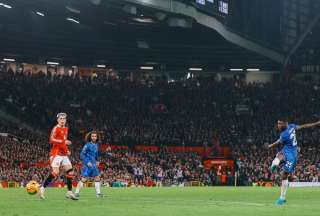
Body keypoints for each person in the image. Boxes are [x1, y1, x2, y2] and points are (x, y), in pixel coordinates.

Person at [268, 118, 320, 205]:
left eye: (280, 124)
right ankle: (275, 164)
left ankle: (282, 198)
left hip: (292, 155)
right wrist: (315, 123)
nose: (278, 126)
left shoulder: (284, 134)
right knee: (279, 155)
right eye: (278, 124)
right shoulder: (291, 126)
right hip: (288, 151)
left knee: (284, 175)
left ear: (285, 124)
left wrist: (271, 145)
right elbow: (304, 126)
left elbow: (278, 142)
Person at [39, 113, 78, 200]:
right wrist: (64, 141)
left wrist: (66, 150)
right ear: (58, 120)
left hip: (63, 154)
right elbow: (51, 140)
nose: (62, 120)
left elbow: (63, 142)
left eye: (64, 118)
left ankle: (69, 192)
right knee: (55, 172)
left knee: (70, 171)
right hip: (55, 153)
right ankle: (42, 189)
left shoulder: (65, 128)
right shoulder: (56, 128)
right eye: (61, 118)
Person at [75, 131, 104, 198]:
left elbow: (96, 155)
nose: (94, 137)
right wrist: (87, 162)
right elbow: (82, 154)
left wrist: (97, 161)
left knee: (97, 178)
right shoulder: (87, 145)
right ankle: (76, 192)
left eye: (95, 136)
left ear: (97, 137)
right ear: (90, 137)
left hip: (94, 165)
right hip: (87, 165)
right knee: (84, 179)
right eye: (92, 136)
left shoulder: (96, 145)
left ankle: (98, 194)